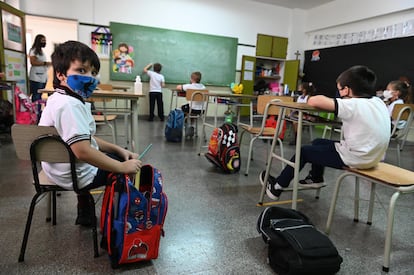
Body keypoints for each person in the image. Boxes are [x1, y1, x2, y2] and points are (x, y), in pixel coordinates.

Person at [39, 41, 142, 226]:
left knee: (115, 157)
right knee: (126, 169)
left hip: (55, 168)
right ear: (61, 75)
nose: (90, 78)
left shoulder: (59, 98)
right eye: (81, 70)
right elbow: (83, 152)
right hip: (74, 173)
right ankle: (121, 226)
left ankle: (85, 210)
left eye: (93, 73)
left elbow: (84, 139)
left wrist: (119, 150)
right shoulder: (70, 105)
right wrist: (122, 167)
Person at [260, 65, 390, 200]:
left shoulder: (352, 104)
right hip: (374, 156)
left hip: (357, 158)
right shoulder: (378, 102)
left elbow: (314, 100)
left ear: (346, 90)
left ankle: (277, 187)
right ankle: (316, 178)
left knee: (304, 151)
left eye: (339, 89)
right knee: (318, 142)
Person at [28, 34, 51, 122]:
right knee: (36, 96)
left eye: (45, 40)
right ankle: (34, 114)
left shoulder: (41, 51)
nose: (44, 42)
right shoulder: (33, 50)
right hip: (36, 77)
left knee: (40, 96)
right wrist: (45, 63)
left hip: (42, 77)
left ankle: (38, 113)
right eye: (43, 40)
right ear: (38, 41)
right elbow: (33, 62)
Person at [176, 71, 206, 136]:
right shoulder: (203, 87)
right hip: (202, 110)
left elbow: (178, 87)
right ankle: (191, 126)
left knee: (180, 109)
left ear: (191, 79)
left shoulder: (189, 86)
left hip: (191, 109)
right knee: (191, 111)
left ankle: (187, 127)